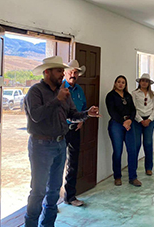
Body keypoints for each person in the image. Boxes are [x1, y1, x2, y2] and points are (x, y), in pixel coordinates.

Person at [24, 56, 100, 227]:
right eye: (59, 71)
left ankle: (48, 224)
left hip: (60, 144)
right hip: (41, 146)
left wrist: (87, 113)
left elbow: (72, 114)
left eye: (61, 71)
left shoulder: (64, 92)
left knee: (53, 191)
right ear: (46, 72)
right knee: (38, 191)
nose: (62, 74)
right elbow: (36, 116)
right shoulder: (35, 91)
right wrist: (56, 100)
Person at [106, 75, 141, 187]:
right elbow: (112, 112)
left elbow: (133, 110)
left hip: (129, 124)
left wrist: (130, 120)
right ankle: (117, 177)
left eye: (123, 82)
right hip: (116, 124)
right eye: (119, 82)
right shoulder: (110, 96)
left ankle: (133, 177)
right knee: (118, 151)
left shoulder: (128, 96)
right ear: (115, 83)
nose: (121, 84)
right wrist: (123, 122)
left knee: (132, 150)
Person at [62, 60, 87, 207]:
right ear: (65, 73)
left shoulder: (79, 90)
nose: (73, 74)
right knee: (55, 165)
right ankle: (50, 202)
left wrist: (82, 120)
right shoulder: (59, 89)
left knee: (73, 164)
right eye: (70, 71)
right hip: (61, 131)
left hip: (75, 131)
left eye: (76, 72)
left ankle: (70, 197)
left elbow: (83, 107)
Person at [131, 74, 154, 176]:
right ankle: (133, 168)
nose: (144, 83)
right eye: (142, 81)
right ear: (139, 82)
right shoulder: (134, 93)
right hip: (137, 121)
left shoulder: (152, 94)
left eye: (146, 81)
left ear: (148, 83)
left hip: (149, 121)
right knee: (136, 144)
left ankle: (149, 167)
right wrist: (140, 120)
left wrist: (149, 119)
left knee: (148, 144)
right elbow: (133, 108)